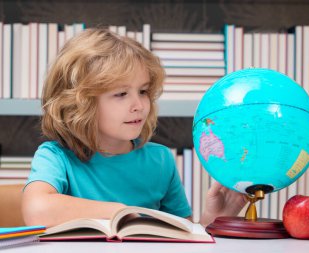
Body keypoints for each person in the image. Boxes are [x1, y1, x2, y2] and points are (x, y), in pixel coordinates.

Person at [22, 28, 247, 228]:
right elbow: (37, 210)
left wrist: (211, 220)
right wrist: (120, 212)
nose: (139, 106)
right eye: (121, 94)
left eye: (143, 91)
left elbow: (182, 237)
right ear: (79, 104)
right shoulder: (56, 157)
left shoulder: (160, 160)